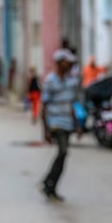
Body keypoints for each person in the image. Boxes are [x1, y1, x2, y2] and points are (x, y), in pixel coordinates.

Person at [39, 49, 79, 201]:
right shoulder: (50, 81)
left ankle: (50, 185)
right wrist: (46, 130)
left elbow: (71, 104)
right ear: (59, 63)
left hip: (67, 121)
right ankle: (48, 181)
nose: (69, 65)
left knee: (63, 155)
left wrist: (77, 124)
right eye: (66, 62)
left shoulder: (71, 82)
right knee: (63, 151)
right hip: (55, 122)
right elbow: (45, 105)